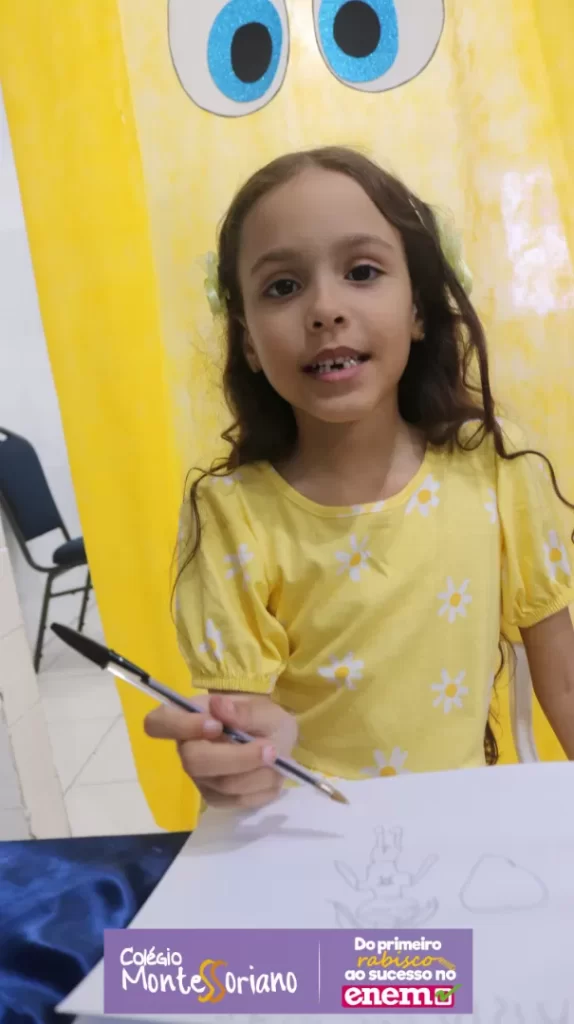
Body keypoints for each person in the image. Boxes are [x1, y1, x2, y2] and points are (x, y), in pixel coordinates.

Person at [145, 146, 574, 810]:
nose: (325, 309)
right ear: (248, 339)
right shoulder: (231, 515)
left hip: (467, 832)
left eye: (362, 272)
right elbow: (240, 733)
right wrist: (238, 762)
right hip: (309, 837)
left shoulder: (496, 467)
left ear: (419, 309)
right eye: (282, 287)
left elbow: (565, 684)